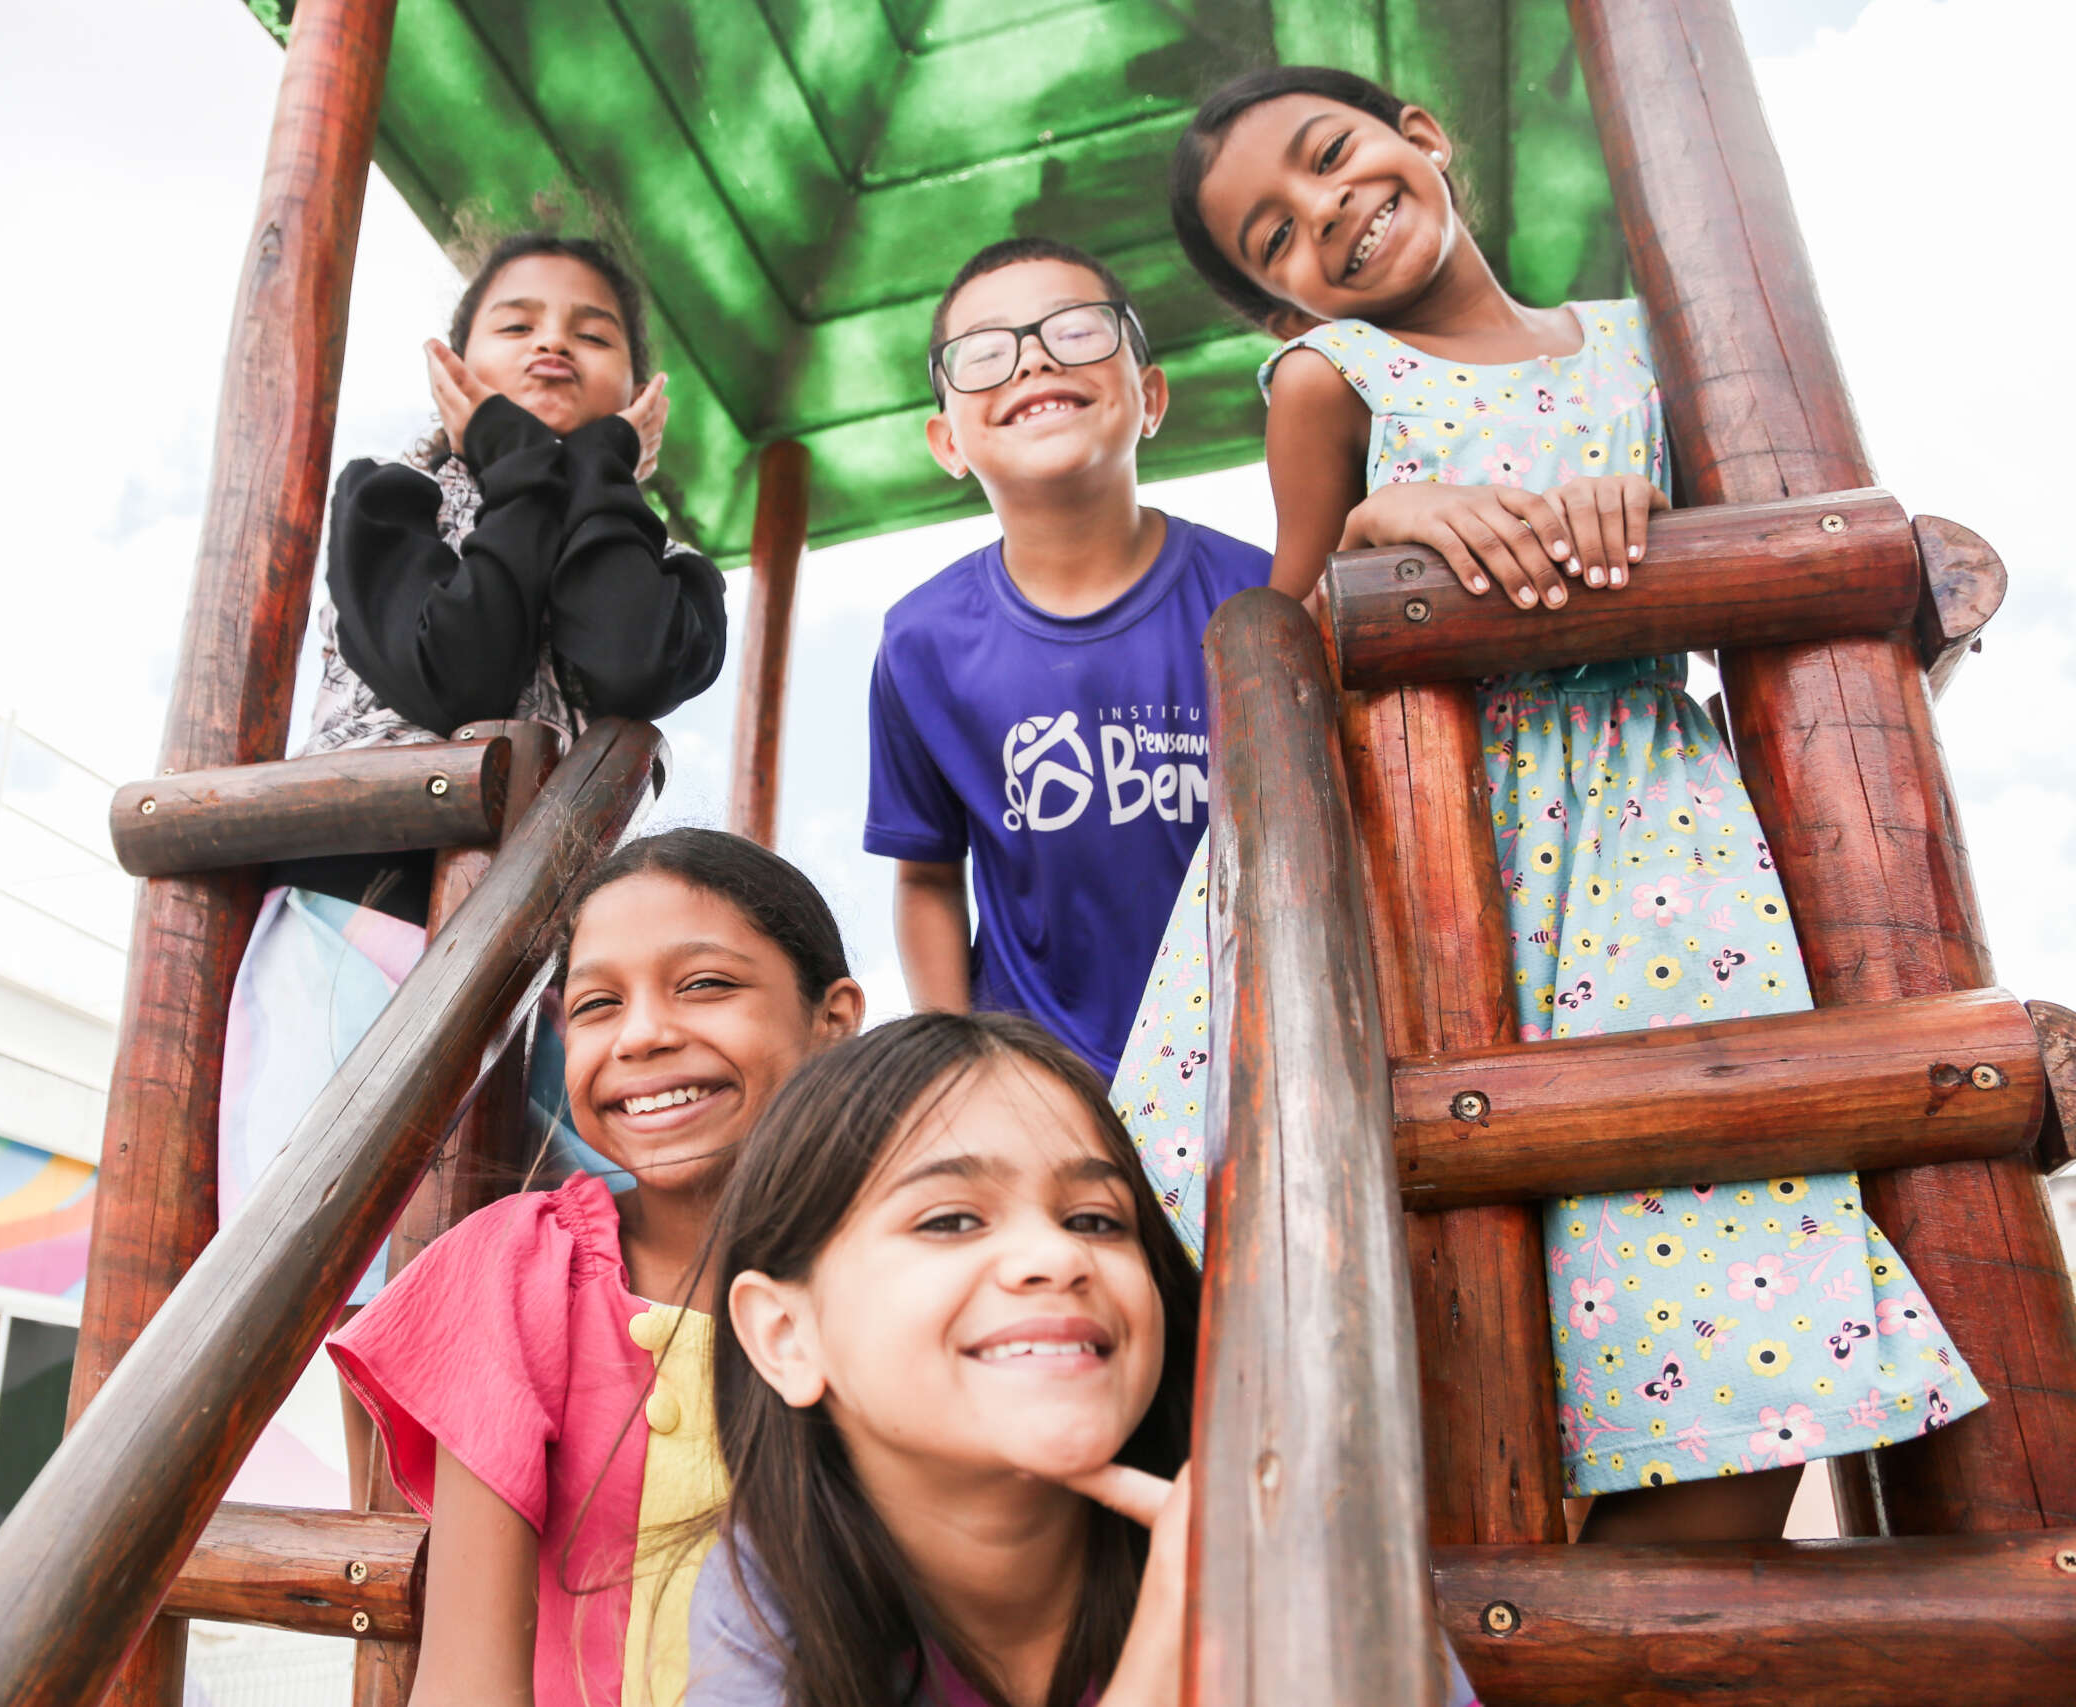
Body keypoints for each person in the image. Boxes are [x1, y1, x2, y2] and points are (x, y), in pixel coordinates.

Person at [1114, 66, 1984, 1540]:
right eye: (1273, 239)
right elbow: (1280, 643)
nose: (1323, 213)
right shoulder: (1332, 383)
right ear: (1280, 309)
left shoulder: (1667, 349)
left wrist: (1652, 535)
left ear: (1424, 140)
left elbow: (1795, 587)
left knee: (1725, 1288)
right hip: (1432, 851)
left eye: (1332, 160)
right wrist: (1382, 537)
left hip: (1659, 851)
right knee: (1438, 1293)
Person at [687, 1011, 1479, 1707]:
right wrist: (1171, 1644)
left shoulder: (1285, 1534)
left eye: (1096, 1220)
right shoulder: (769, 1593)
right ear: (787, 1335)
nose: (1056, 1255)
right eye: (954, 1219)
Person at [220, 231, 731, 1297]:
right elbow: (459, 673)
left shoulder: (671, 565)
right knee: (362, 1268)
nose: (553, 344)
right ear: (454, 369)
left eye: (591, 335)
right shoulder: (392, 500)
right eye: (517, 325)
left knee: (552, 1272)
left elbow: (627, 657)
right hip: (363, 921)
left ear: (639, 397)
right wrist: (512, 472)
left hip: (544, 962)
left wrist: (589, 478)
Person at [327, 829, 865, 1707]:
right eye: (597, 1004)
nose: (644, 1034)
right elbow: (468, 1683)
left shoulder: (911, 1280)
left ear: (832, 1020)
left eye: (706, 984)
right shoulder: (517, 1273)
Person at [866, 239, 1271, 1080]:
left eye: (1079, 330)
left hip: (1257, 1056)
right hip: (1041, 1082)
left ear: (1151, 396)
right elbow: (929, 877)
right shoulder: (921, 642)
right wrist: (955, 1071)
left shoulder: (1259, 594)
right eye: (983, 353)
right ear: (946, 442)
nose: (1035, 357)